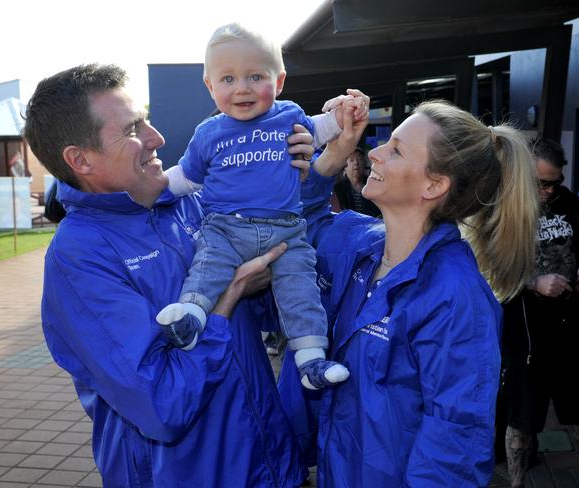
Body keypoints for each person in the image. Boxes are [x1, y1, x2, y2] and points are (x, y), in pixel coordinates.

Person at [23, 63, 316, 487]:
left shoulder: (189, 205)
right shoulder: (79, 258)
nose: (156, 137)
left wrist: (294, 180)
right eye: (131, 129)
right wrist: (226, 299)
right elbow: (162, 404)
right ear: (81, 159)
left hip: (270, 464)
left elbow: (278, 311)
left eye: (145, 118)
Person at [279, 99, 540, 486]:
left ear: (434, 185)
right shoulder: (358, 243)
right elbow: (293, 225)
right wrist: (334, 152)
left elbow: (453, 454)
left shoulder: (456, 298)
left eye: (396, 149)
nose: (375, 154)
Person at [157, 23, 367, 390]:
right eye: (227, 79)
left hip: (287, 230)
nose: (242, 88)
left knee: (300, 290)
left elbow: (326, 127)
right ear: (209, 85)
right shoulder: (208, 133)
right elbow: (185, 178)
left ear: (280, 80)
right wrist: (151, 188)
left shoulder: (289, 117)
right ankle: (190, 315)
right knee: (208, 266)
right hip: (226, 228)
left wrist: (347, 109)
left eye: (256, 76)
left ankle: (311, 359)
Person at [500, 138, 579, 488]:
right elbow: (492, 270)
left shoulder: (573, 206)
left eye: (555, 182)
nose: (548, 190)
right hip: (526, 338)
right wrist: (534, 282)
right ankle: (516, 483)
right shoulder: (506, 210)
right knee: (522, 421)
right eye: (541, 182)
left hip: (575, 332)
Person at [332, 146, 380, 217]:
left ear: (364, 163)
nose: (356, 163)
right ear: (344, 166)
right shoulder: (338, 189)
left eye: (359, 159)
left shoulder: (373, 185)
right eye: (351, 160)